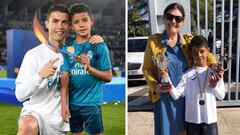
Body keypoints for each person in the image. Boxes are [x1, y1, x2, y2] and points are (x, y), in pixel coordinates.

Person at [15, 4, 103, 135]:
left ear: (69, 26)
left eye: (64, 22)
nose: (60, 27)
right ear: (47, 24)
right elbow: (20, 95)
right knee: (28, 126)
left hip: (61, 121)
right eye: (55, 21)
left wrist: (98, 41)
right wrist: (40, 76)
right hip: (36, 114)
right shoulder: (33, 55)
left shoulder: (75, 54)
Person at [142, 3, 217, 135]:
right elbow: (147, 69)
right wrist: (155, 87)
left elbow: (208, 56)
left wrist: (216, 68)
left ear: (182, 22)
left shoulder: (188, 41)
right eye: (170, 17)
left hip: (185, 99)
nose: (173, 21)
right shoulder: (154, 42)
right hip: (164, 98)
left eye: (178, 19)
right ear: (164, 18)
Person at [60, 3, 112, 135]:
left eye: (84, 20)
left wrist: (89, 68)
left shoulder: (99, 46)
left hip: (91, 104)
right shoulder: (67, 49)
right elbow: (64, 78)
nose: (81, 25)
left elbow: (108, 77)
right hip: (73, 104)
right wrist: (64, 105)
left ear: (91, 21)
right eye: (76, 22)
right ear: (71, 26)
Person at [169, 35, 225, 135]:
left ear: (208, 50)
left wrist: (214, 86)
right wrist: (166, 78)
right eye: (195, 52)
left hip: (210, 120)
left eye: (202, 51)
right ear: (191, 53)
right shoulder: (187, 74)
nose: (199, 55)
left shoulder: (215, 72)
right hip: (192, 121)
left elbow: (221, 96)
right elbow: (176, 94)